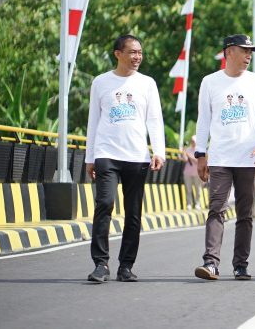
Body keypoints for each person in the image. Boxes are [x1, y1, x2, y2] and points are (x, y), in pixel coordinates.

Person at [85, 34, 165, 283]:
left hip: (137, 156)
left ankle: (126, 266)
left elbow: (154, 119)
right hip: (107, 153)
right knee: (104, 204)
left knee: (133, 213)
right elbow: (93, 121)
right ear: (117, 53)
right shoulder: (101, 82)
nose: (137, 57)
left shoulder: (147, 83)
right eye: (132, 52)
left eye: (140, 52)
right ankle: (101, 263)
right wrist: (90, 157)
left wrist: (158, 151)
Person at [193, 34, 255, 281]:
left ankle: (240, 264)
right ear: (229, 52)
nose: (249, 55)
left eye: (251, 51)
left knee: (245, 213)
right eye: (244, 50)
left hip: (248, 159)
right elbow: (203, 119)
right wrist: (200, 154)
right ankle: (211, 263)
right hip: (219, 158)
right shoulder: (210, 82)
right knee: (216, 208)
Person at [181, 135, 203, 210]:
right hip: (187, 173)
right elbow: (185, 159)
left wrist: (189, 156)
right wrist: (184, 153)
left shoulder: (199, 151)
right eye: (192, 141)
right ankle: (189, 204)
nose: (192, 142)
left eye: (193, 141)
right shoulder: (188, 149)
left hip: (197, 173)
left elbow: (197, 161)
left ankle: (197, 204)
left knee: (198, 189)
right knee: (188, 189)